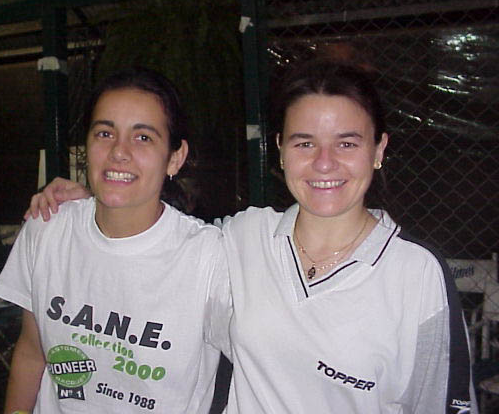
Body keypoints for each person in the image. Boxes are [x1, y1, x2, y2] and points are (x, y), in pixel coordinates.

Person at [27, 61, 478, 413]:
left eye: (347, 143)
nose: (324, 163)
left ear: (378, 150)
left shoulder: (416, 275)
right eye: (304, 142)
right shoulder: (244, 237)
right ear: (279, 151)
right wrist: (99, 198)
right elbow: (157, 239)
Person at [0, 67, 231, 413]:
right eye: (105, 133)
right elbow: (32, 353)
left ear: (175, 158)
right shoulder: (47, 228)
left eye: (143, 137)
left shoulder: (209, 257)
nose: (119, 151)